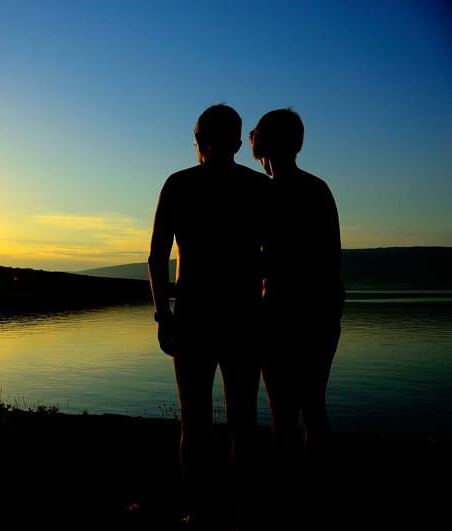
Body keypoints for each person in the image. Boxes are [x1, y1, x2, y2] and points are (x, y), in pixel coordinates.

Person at [148, 104, 270, 524]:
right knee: (243, 422)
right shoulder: (258, 187)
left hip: (194, 315)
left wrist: (163, 314)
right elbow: (275, 257)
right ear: (238, 142)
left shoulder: (179, 184)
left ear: (199, 140)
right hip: (244, 315)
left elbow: (156, 256)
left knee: (194, 422)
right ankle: (244, 509)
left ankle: (197, 512)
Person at [249, 108, 344, 472]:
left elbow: (260, 259)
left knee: (282, 414)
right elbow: (330, 256)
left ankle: (285, 495)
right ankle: (317, 494)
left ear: (260, 145)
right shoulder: (318, 188)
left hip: (278, 311)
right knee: (314, 406)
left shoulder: (264, 195)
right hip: (322, 311)